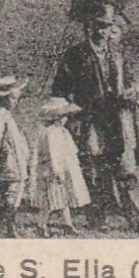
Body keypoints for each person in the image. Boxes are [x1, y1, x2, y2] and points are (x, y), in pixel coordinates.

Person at [50, 6, 139, 231]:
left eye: (107, 26)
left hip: (117, 117)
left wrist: (133, 91)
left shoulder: (118, 53)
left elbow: (131, 79)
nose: (102, 31)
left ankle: (136, 217)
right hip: (89, 118)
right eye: (97, 25)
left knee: (125, 169)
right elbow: (59, 89)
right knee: (95, 167)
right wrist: (67, 112)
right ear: (88, 26)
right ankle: (99, 216)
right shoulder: (76, 55)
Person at [33, 96, 90, 237]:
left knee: (63, 197)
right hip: (52, 170)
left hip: (64, 168)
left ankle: (67, 224)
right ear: (56, 117)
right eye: (64, 116)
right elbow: (52, 154)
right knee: (49, 199)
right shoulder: (50, 133)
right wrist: (57, 171)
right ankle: (41, 224)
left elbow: (69, 151)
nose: (66, 119)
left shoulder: (63, 132)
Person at [0, 76, 32, 237]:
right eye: (14, 98)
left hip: (14, 163)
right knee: (10, 198)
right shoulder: (0, 115)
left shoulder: (5, 114)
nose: (16, 102)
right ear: (4, 98)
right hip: (8, 163)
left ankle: (5, 230)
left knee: (12, 198)